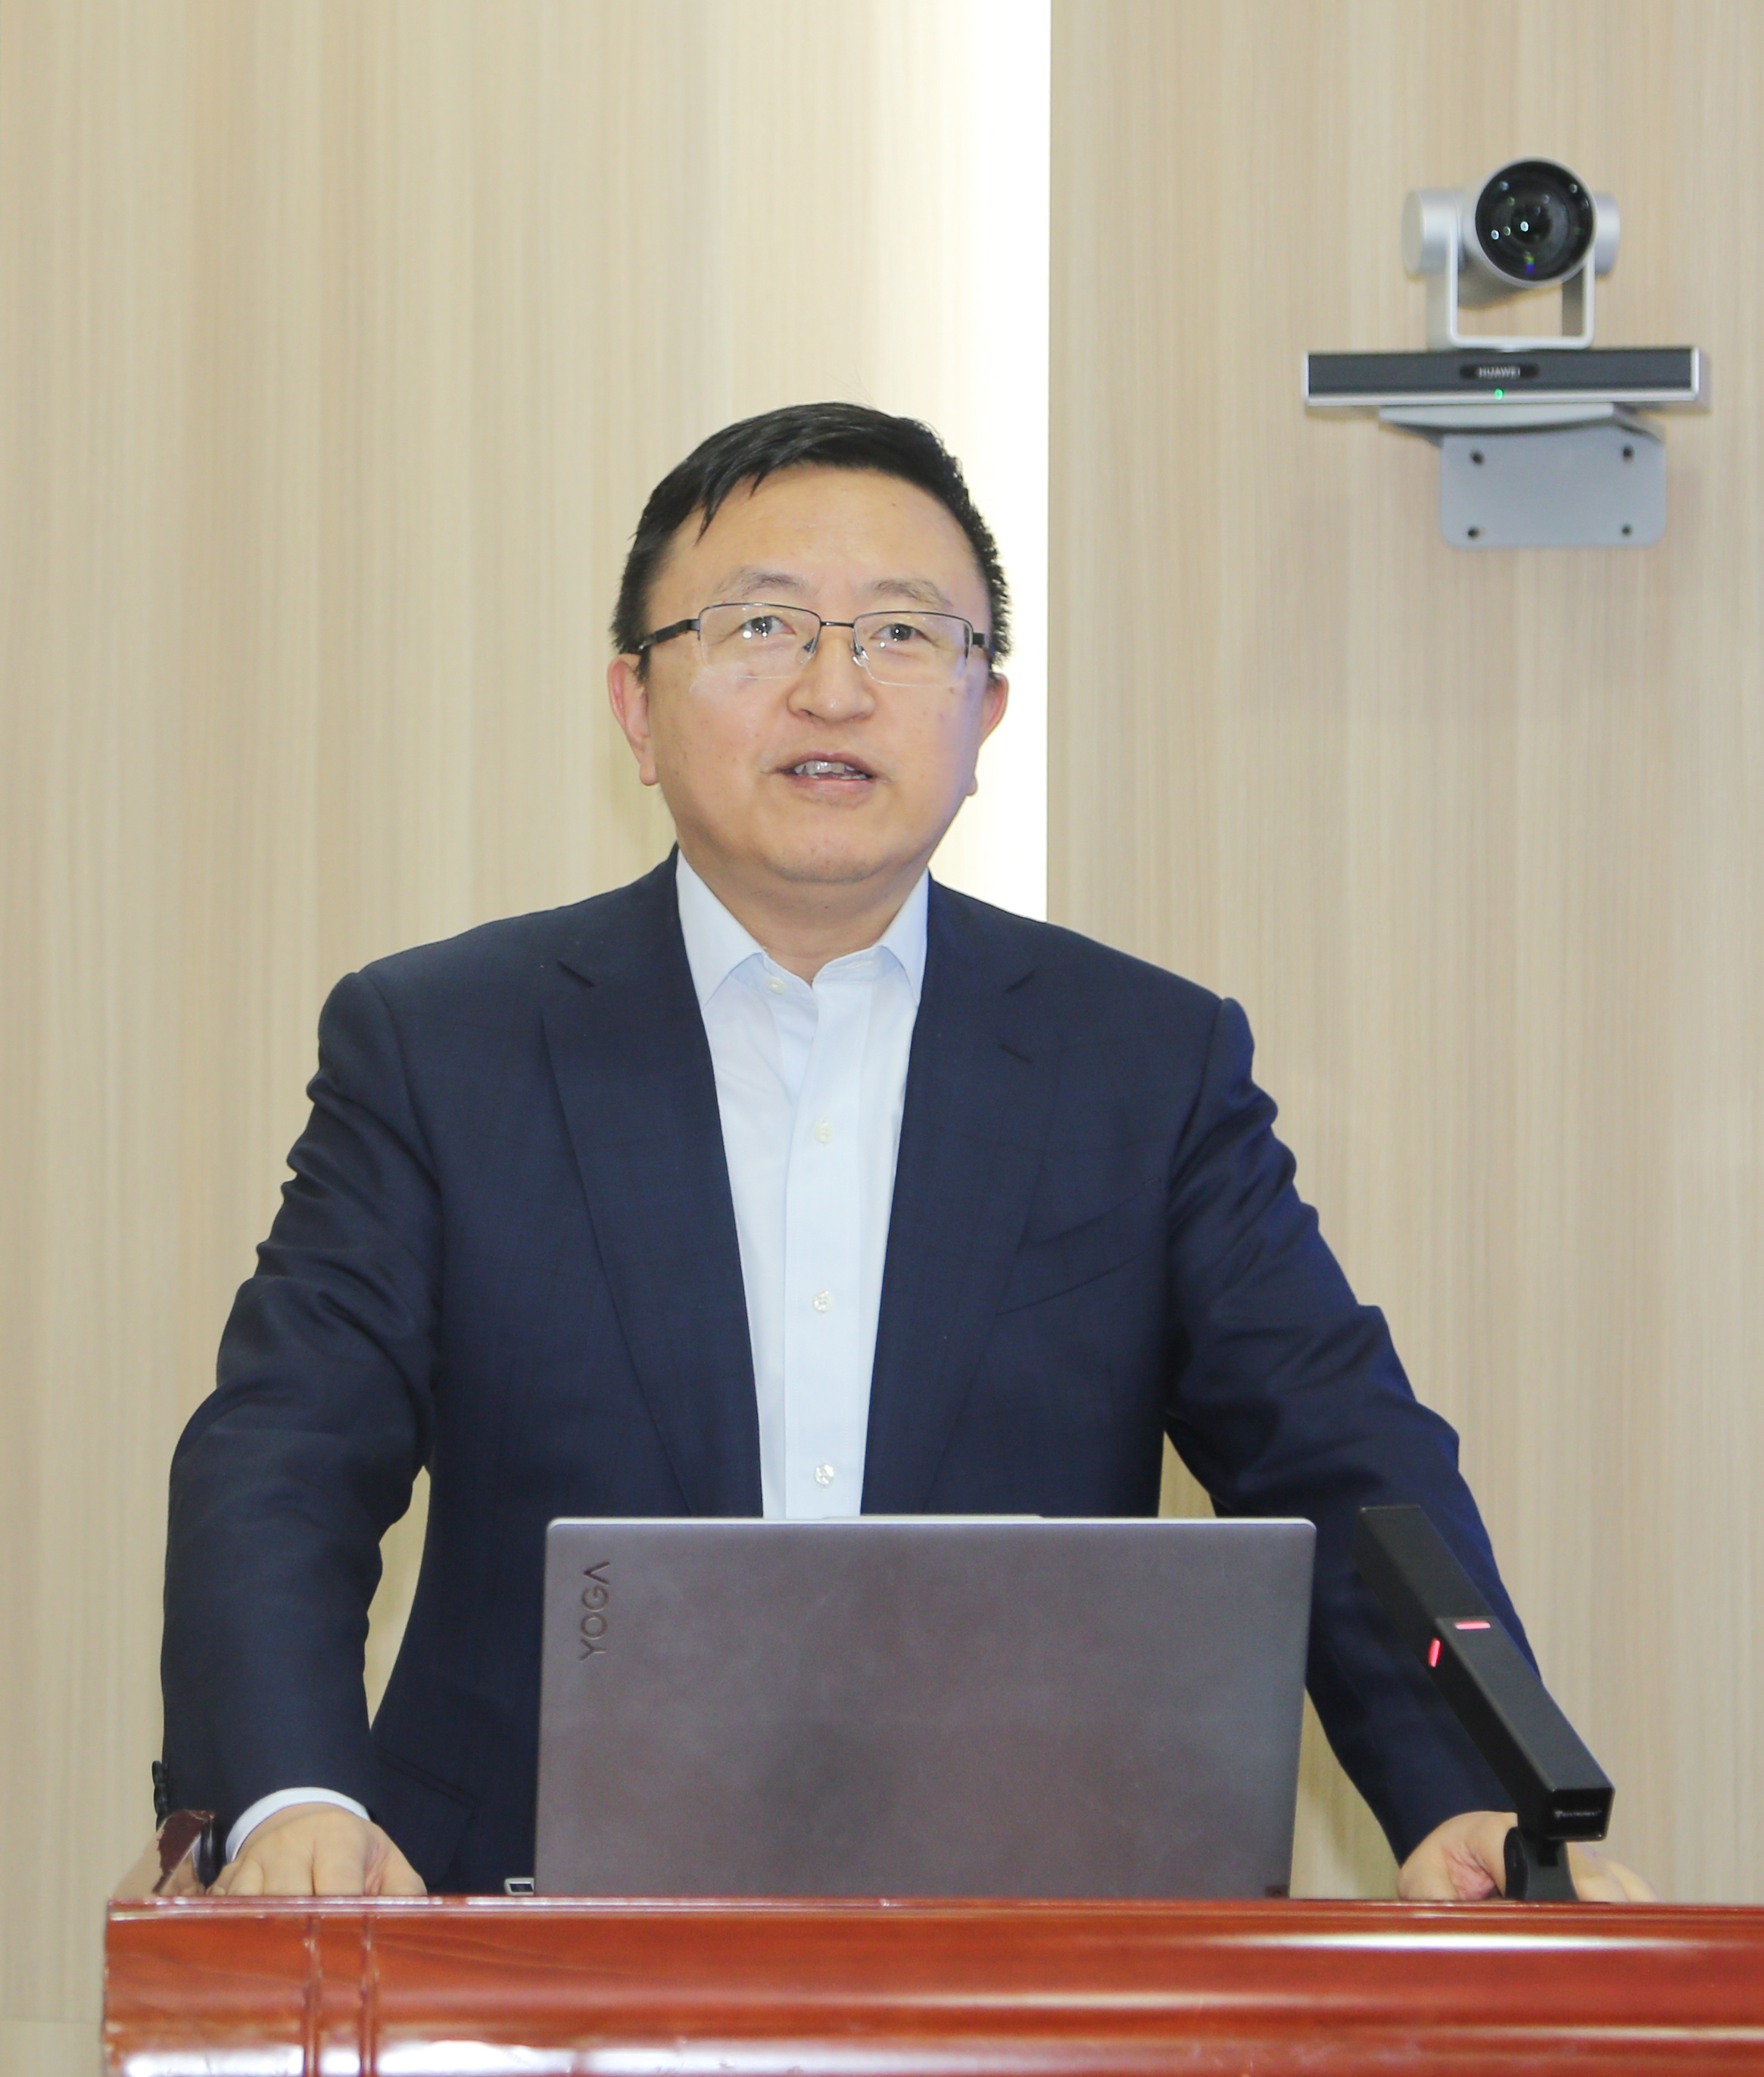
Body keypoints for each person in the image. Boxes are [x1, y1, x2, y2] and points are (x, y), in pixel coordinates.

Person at [158, 402, 1649, 1904]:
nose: (833, 688)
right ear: (636, 705)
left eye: (902, 634)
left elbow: (1340, 1459)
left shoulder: (1141, 1062)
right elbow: (286, 1453)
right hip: (522, 1922)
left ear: (984, 713)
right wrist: (293, 1796)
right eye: (760, 626)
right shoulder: (444, 1044)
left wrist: (1474, 1794)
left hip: (1033, 1924)